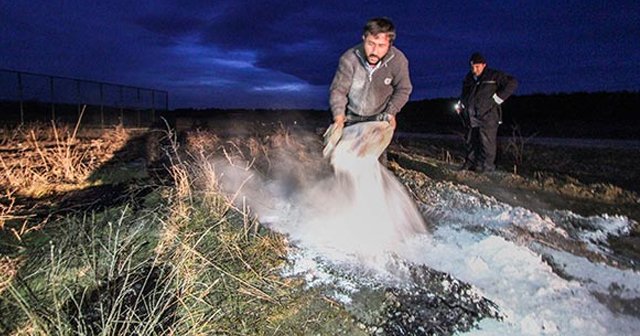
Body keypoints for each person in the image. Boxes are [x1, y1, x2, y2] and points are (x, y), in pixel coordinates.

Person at [326, 17, 412, 164]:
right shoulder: (349, 58)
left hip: (377, 120)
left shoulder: (398, 61)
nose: (374, 51)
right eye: (370, 44)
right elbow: (338, 90)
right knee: (339, 161)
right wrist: (338, 117)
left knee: (374, 164)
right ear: (364, 38)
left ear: (389, 44)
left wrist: (391, 112)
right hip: (349, 118)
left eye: (381, 46)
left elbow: (404, 89)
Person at [455, 52, 517, 173]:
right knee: (471, 141)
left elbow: (512, 83)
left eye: (477, 66)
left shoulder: (493, 75)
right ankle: (471, 164)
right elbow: (465, 94)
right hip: (471, 116)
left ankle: (487, 168)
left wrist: (498, 98)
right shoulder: (469, 78)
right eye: (472, 66)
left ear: (484, 65)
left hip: (488, 116)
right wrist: (461, 104)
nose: (474, 69)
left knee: (487, 143)